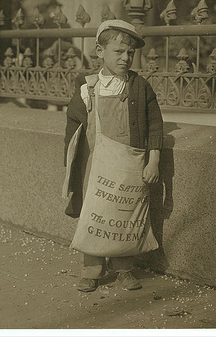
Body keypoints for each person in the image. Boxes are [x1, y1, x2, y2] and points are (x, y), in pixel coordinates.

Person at [64, 19, 163, 293]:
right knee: (94, 215)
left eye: (130, 53)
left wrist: (153, 160)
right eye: (118, 52)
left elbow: (155, 125)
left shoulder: (140, 87)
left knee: (126, 213)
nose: (125, 58)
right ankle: (91, 270)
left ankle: (124, 269)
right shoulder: (87, 88)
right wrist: (71, 166)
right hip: (96, 164)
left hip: (130, 163)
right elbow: (73, 129)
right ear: (100, 51)